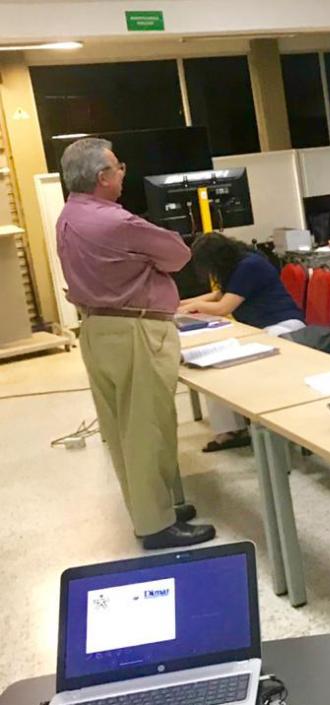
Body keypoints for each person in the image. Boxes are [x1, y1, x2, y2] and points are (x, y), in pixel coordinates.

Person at [55, 137, 215, 549]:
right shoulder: (118, 223)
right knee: (147, 429)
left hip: (96, 330)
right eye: (118, 167)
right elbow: (178, 256)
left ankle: (152, 509)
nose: (123, 172)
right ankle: (157, 527)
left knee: (121, 429)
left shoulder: (68, 216)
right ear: (103, 177)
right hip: (135, 331)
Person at [179, 233, 306, 453]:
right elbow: (219, 295)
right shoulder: (240, 263)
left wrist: (190, 308)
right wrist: (181, 304)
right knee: (212, 367)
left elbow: (223, 307)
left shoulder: (250, 265)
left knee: (227, 364)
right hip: (260, 330)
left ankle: (238, 429)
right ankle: (230, 431)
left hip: (284, 327)